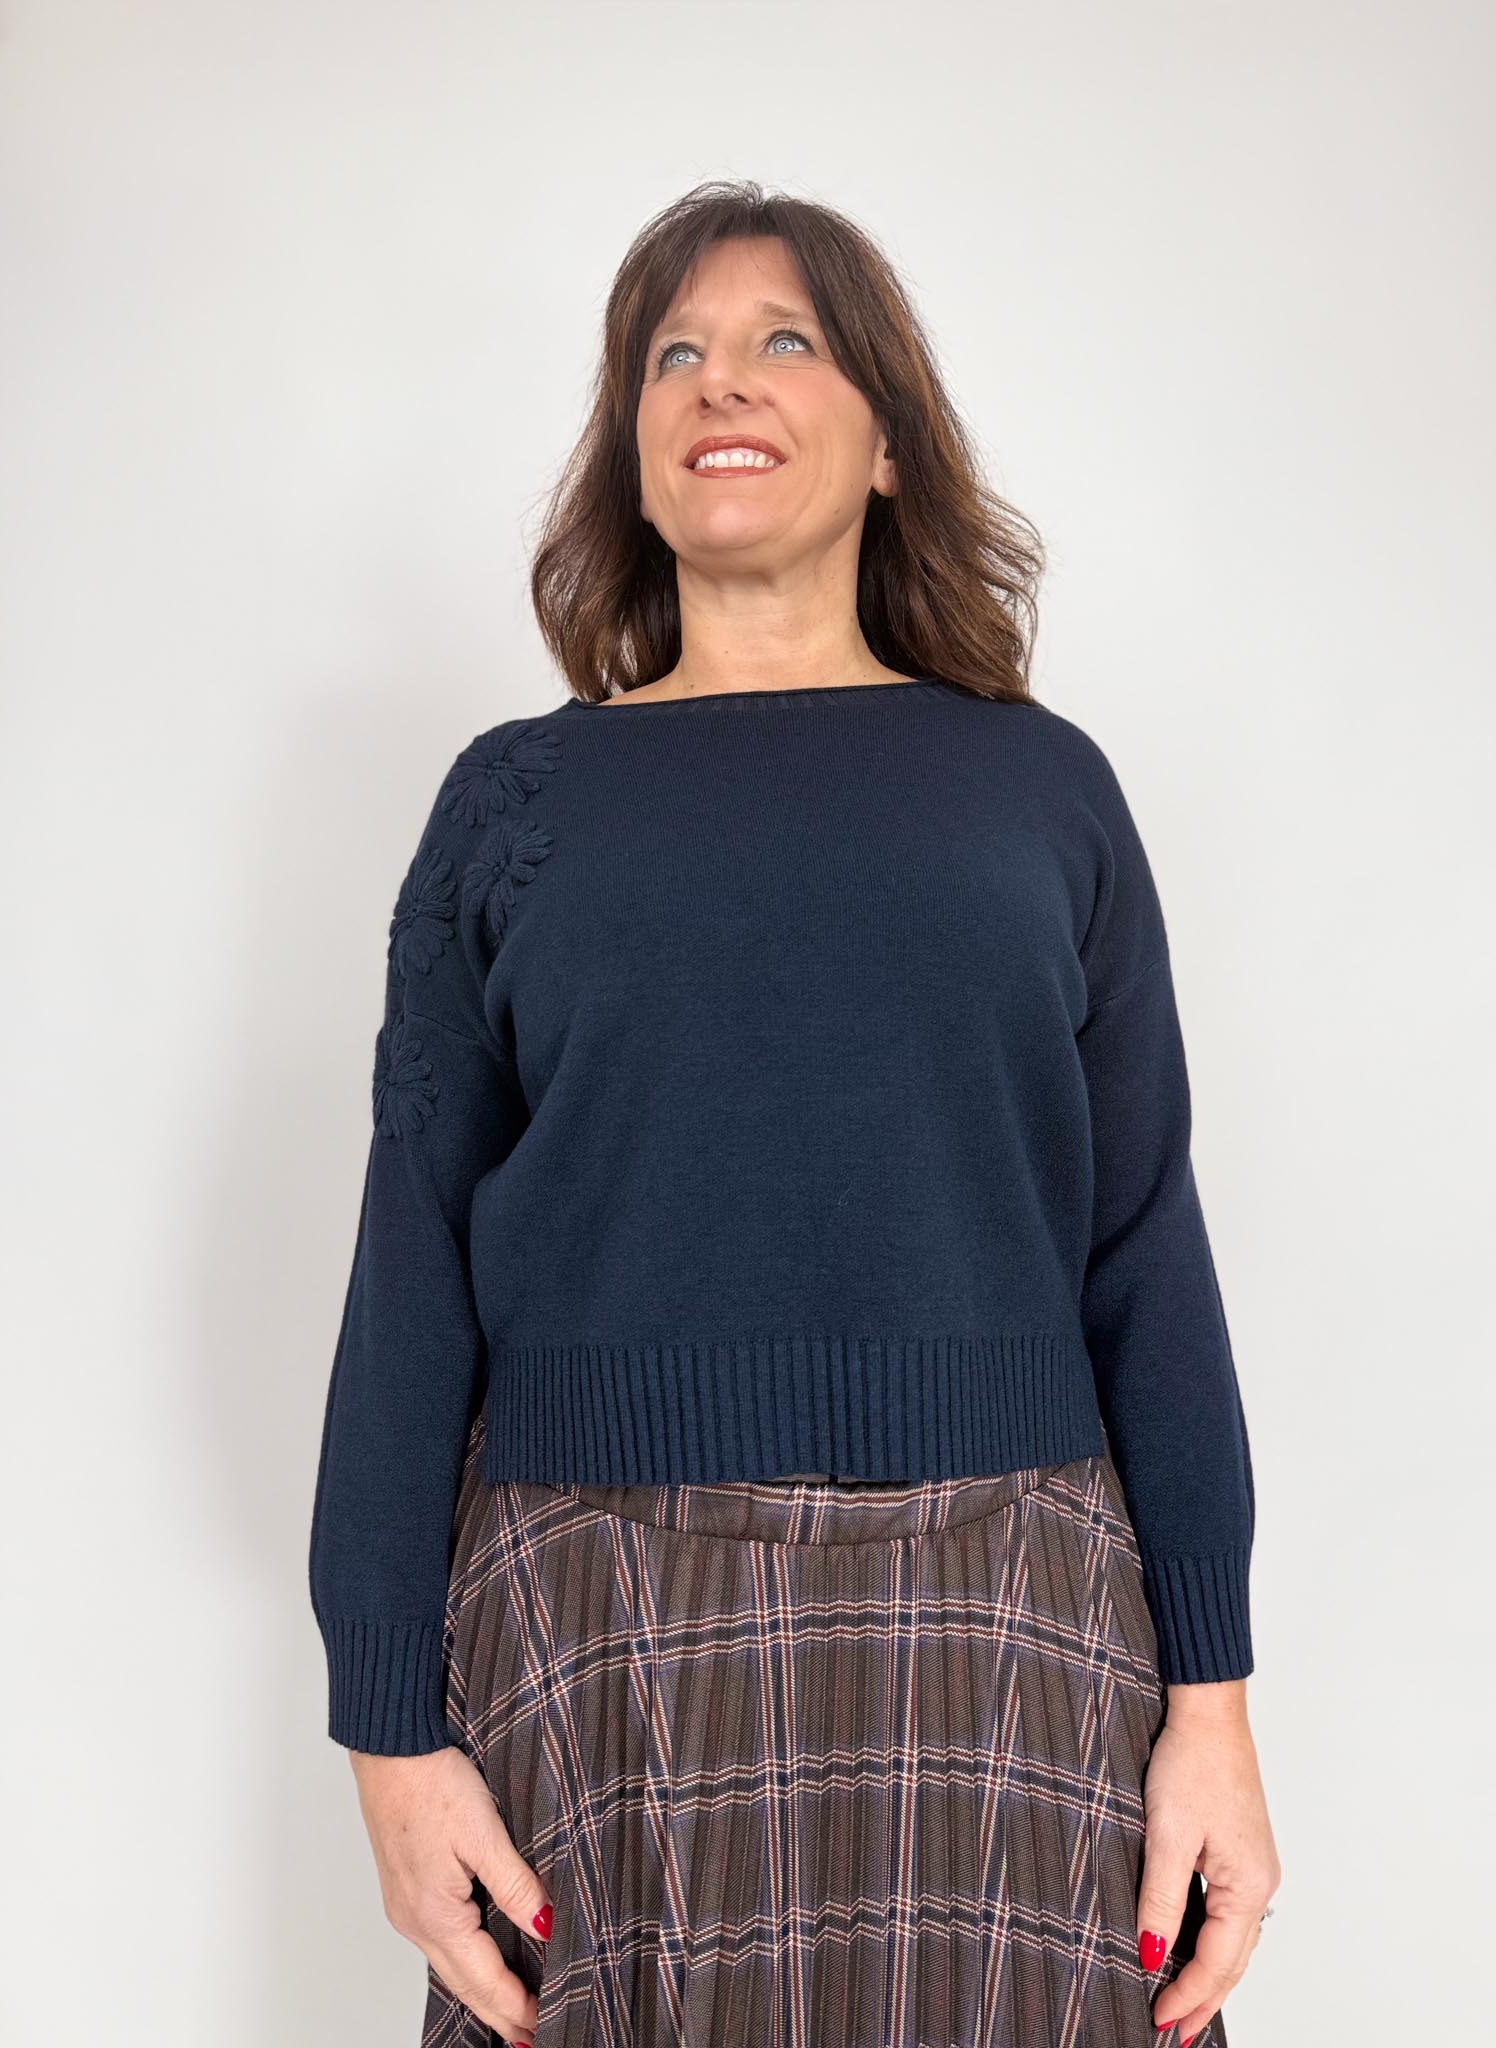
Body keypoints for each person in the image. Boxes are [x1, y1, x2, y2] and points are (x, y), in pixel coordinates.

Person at [308, 178, 1280, 2048]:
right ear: (632, 449)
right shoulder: (514, 804)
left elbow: (1146, 1249)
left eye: (783, 340)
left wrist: (1215, 1705)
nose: (717, 380)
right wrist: (387, 1737)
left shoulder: (1042, 789)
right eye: (670, 354)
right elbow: (407, 1269)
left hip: (1014, 1616)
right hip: (595, 1619)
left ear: (891, 441)